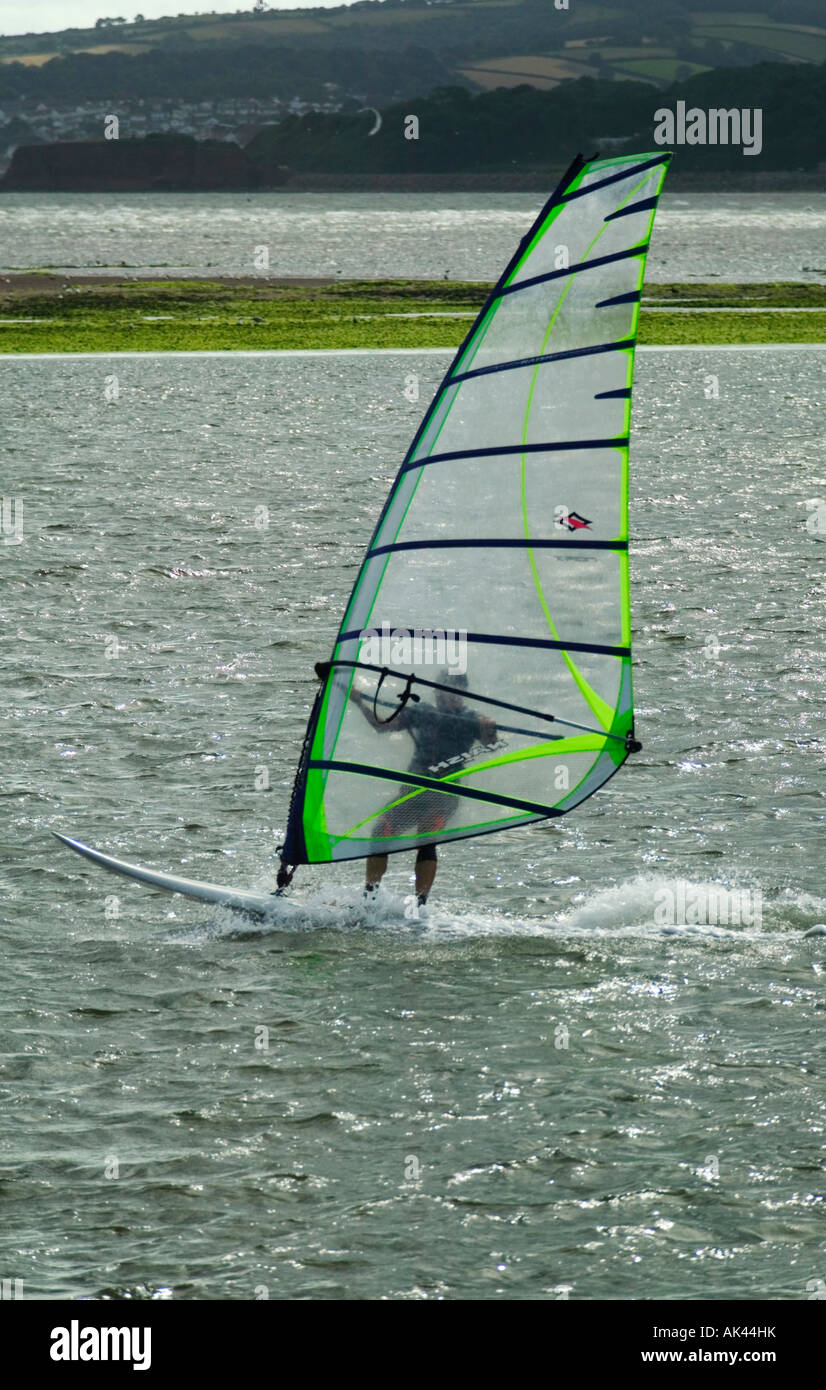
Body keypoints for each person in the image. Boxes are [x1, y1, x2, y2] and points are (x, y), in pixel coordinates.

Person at [348, 669, 497, 907]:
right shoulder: (422, 712)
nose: (451, 698)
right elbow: (381, 726)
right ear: (437, 691)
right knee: (381, 830)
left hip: (444, 793)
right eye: (446, 691)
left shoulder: (472, 720)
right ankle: (370, 896)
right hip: (413, 789)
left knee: (425, 836)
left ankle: (421, 904)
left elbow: (491, 743)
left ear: (463, 695)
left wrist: (491, 729)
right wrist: (359, 702)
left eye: (457, 693)